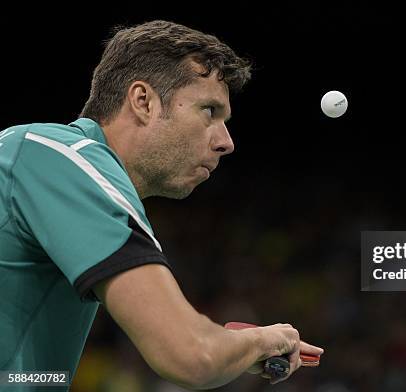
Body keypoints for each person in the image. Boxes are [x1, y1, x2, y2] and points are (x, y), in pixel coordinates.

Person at [0, 20, 323, 390]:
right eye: (209, 111)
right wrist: (267, 339)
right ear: (143, 102)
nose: (226, 141)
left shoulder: (32, 156)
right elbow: (191, 356)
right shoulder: (61, 159)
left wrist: (232, 348)